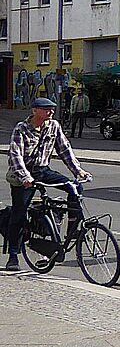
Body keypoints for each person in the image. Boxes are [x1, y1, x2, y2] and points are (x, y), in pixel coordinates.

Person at [6, 98, 91, 271]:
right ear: (35, 110)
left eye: (52, 110)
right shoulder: (21, 129)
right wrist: (25, 178)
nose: (51, 113)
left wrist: (78, 171)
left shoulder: (54, 126)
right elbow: (15, 157)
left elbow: (65, 150)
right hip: (22, 174)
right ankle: (13, 256)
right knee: (19, 214)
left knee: (74, 187)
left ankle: (73, 229)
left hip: (43, 170)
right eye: (47, 110)